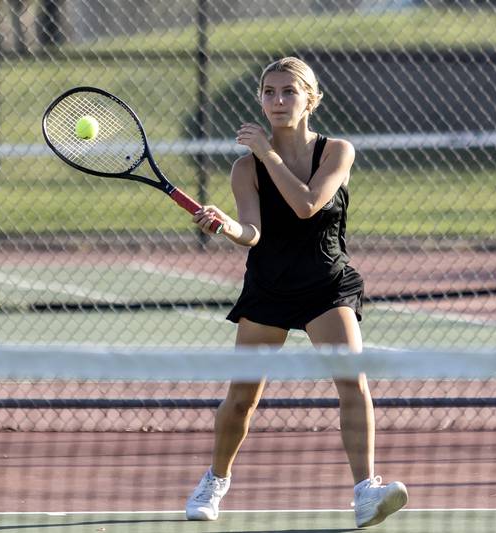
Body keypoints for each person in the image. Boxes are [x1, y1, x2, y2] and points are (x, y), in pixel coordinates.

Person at [186, 57, 407, 528]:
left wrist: (269, 153)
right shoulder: (244, 169)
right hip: (269, 286)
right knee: (243, 397)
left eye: (289, 91)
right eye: (269, 92)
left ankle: (366, 490)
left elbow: (307, 205)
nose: (278, 101)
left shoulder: (337, 152)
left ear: (310, 98)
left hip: (326, 284)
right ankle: (215, 480)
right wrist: (227, 225)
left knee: (353, 382)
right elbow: (253, 232)